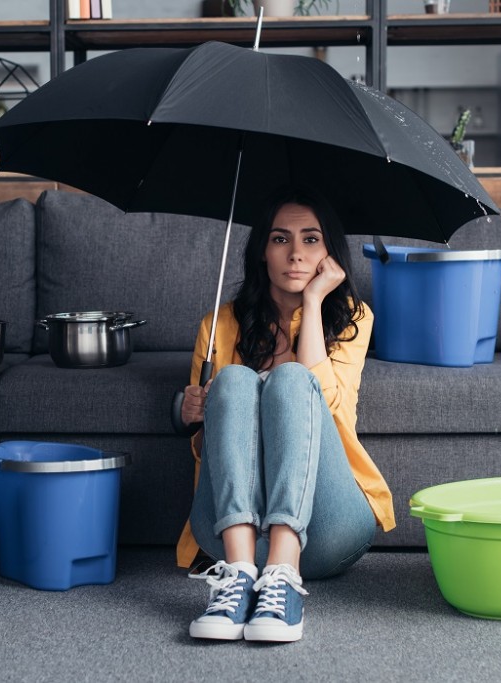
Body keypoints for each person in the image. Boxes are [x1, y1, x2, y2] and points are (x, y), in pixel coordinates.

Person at [174, 187, 396, 643]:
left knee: (294, 379)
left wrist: (314, 302)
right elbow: (204, 449)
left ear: (329, 252)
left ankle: (283, 574)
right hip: (232, 532)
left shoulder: (354, 317)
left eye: (311, 239)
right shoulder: (218, 324)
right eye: (280, 239)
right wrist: (193, 411)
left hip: (329, 527)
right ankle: (237, 575)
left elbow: (331, 413)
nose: (296, 254)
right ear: (262, 252)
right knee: (233, 380)